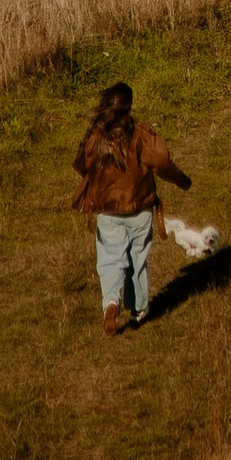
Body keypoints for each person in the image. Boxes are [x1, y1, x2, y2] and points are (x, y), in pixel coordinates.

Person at [72, 80, 190, 334]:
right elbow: (162, 162)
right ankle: (138, 311)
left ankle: (111, 304)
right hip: (139, 207)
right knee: (137, 258)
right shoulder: (139, 134)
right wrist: (182, 181)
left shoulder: (95, 135)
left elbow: (81, 164)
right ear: (129, 106)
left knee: (110, 259)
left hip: (106, 209)